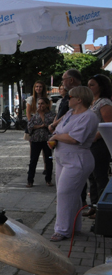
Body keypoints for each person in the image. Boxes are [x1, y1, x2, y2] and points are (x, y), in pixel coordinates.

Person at [47, 86, 98, 242]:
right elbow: (58, 126)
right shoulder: (70, 113)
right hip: (63, 158)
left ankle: (62, 230)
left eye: (70, 97)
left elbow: (75, 138)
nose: (68, 99)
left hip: (77, 159)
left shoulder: (89, 116)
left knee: (64, 193)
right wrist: (55, 131)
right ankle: (73, 226)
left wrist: (56, 136)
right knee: (71, 194)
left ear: (79, 99)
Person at [85, 74, 112, 215]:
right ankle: (93, 206)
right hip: (90, 143)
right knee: (91, 175)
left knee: (100, 176)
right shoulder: (92, 102)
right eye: (88, 84)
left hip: (100, 144)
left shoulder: (104, 103)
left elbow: (108, 124)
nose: (89, 87)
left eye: (92, 85)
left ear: (100, 87)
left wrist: (94, 137)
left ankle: (101, 208)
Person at [26, 97, 54, 187]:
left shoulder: (51, 115)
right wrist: (40, 126)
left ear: (46, 105)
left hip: (47, 140)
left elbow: (49, 126)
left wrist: (41, 122)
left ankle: (48, 179)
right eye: (39, 104)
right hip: (36, 140)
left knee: (48, 160)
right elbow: (30, 126)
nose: (40, 106)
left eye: (42, 104)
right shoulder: (35, 115)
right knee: (33, 160)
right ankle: (30, 180)